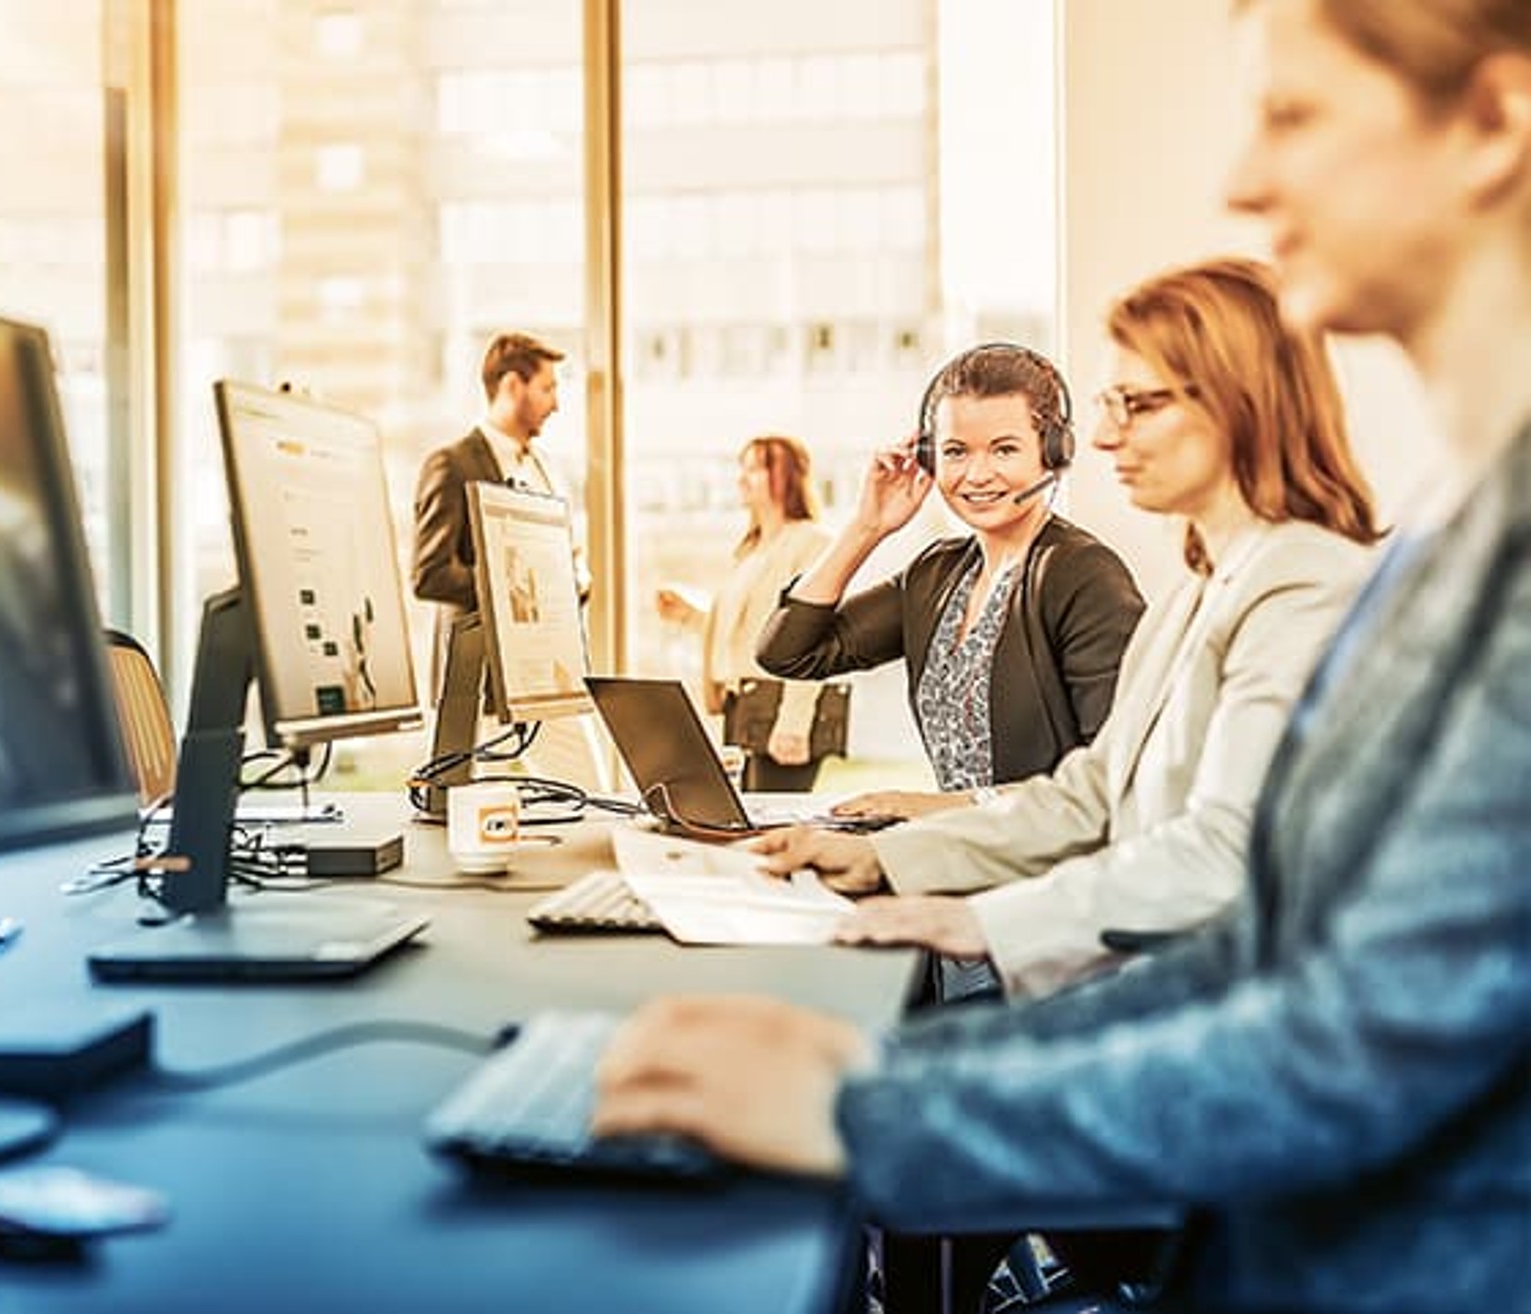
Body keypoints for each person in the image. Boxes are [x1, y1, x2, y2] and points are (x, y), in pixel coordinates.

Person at [592, 2, 1531, 1310]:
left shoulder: (1358, 570)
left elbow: (1340, 1032)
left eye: (1294, 116)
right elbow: (1239, 922)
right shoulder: (1427, 531)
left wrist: (877, 1104)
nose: (1244, 181)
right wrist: (888, 1044)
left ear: (1494, 120)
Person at [767, 257, 1382, 1001]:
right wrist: (886, 862)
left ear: (1241, 405)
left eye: (1139, 404)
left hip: (1214, 1006)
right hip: (1137, 972)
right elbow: (1091, 794)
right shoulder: (1203, 584)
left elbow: (1222, 854)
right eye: (1107, 403)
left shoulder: (1299, 583)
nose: (1106, 435)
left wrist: (982, 924)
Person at [755, 343, 1144, 823]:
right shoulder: (936, 575)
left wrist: (938, 808)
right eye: (956, 452)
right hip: (961, 855)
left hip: (1051, 868)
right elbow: (788, 653)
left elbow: (1118, 776)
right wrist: (866, 528)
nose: (977, 475)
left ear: (1052, 453)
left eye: (1004, 449)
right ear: (929, 459)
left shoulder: (1083, 576)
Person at [654, 436, 838, 792]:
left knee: (771, 832)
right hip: (745, 709)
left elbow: (813, 636)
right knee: (749, 827)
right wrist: (689, 615)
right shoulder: (751, 551)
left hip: (781, 710)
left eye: (754, 468)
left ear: (786, 475)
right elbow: (750, 632)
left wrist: (795, 722)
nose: (742, 478)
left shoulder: (812, 542)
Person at [411, 331, 568, 672]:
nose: (556, 405)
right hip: (476, 685)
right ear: (513, 386)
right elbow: (430, 575)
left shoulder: (545, 469)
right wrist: (518, 587)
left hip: (541, 674)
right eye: (547, 389)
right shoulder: (452, 465)